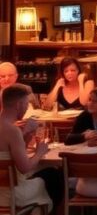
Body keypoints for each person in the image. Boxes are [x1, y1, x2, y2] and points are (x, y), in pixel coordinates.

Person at [0, 84, 53, 214]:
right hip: (11, 194)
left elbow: (8, 153)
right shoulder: (12, 131)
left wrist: (26, 136)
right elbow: (24, 168)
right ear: (18, 104)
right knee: (53, 176)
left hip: (2, 189)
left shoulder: (8, 129)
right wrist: (40, 152)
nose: (26, 108)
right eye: (26, 104)